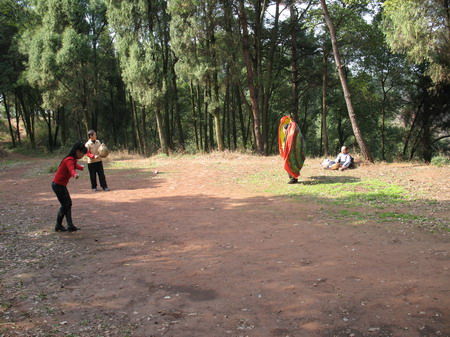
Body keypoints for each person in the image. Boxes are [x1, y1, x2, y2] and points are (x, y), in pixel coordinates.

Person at [52, 141, 87, 232]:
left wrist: (81, 167)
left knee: (67, 204)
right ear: (77, 151)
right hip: (58, 185)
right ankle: (58, 225)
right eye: (82, 153)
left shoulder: (72, 159)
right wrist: (74, 174)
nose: (83, 155)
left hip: (60, 185)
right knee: (65, 205)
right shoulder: (69, 159)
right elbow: (71, 168)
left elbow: (74, 165)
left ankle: (70, 225)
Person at [278, 115, 306, 184]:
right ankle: (293, 178)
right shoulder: (288, 137)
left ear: (287, 129)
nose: (284, 131)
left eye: (284, 130)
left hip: (292, 156)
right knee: (290, 165)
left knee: (291, 165)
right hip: (291, 155)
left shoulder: (291, 137)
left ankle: (294, 179)